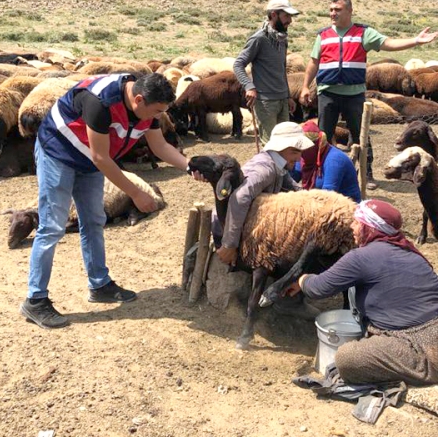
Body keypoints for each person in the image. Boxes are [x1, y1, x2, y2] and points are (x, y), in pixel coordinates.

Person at [20, 73, 191, 329]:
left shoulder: (148, 109)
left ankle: (99, 284)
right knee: (53, 226)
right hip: (59, 152)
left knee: (94, 220)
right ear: (139, 100)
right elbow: (101, 158)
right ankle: (35, 299)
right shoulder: (100, 102)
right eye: (156, 111)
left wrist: (191, 167)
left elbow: (159, 147)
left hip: (89, 159)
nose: (158, 116)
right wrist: (135, 192)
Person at [286, 199, 438, 386]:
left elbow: (318, 288)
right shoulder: (409, 250)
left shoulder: (361, 258)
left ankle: (401, 376)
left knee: (346, 358)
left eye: (357, 223)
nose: (352, 227)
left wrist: (303, 279)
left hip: (428, 354)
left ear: (370, 228)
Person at [298, 0, 438, 188]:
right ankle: (319, 172)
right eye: (331, 9)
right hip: (328, 93)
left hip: (353, 94)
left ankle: (366, 174)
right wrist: (306, 86)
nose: (332, 13)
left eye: (337, 10)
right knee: (323, 135)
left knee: (360, 135)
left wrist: (415, 41)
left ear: (349, 11)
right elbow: (314, 62)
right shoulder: (323, 35)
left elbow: (387, 43)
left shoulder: (362, 33)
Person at [214, 121, 313, 267]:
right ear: (280, 148)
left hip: (244, 225)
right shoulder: (265, 169)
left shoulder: (279, 165)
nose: (299, 158)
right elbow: (240, 197)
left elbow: (294, 188)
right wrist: (230, 244)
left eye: (299, 152)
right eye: (294, 152)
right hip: (228, 226)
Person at [234, 0, 300, 145]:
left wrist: (288, 95)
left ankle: (283, 169)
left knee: (285, 142)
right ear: (274, 14)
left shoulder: (282, 39)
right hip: (265, 101)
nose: (290, 20)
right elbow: (238, 64)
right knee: (270, 144)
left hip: (282, 99)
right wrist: (249, 86)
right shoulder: (259, 39)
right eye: (286, 16)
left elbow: (282, 69)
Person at [290, 120, 361, 203]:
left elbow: (327, 197)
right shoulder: (304, 157)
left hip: (344, 208)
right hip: (316, 204)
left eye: (304, 148)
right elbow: (291, 179)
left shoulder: (334, 161)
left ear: (315, 145)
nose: (300, 155)